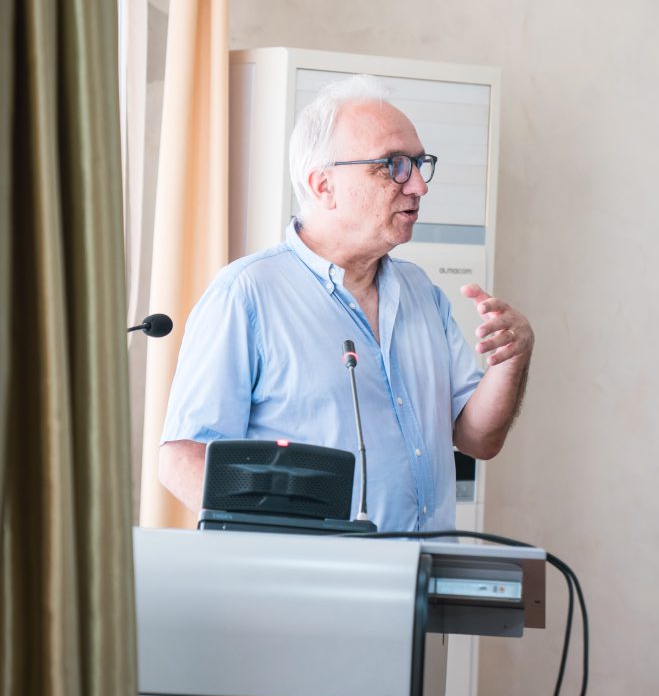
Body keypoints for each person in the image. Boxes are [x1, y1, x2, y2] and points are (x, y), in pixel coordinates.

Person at [159, 74, 534, 529]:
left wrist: (510, 363)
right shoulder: (247, 294)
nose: (419, 186)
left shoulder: (422, 293)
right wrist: (280, 553)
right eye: (394, 165)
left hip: (427, 566)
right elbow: (183, 458)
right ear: (324, 186)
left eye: (419, 164)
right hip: (311, 575)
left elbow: (477, 439)